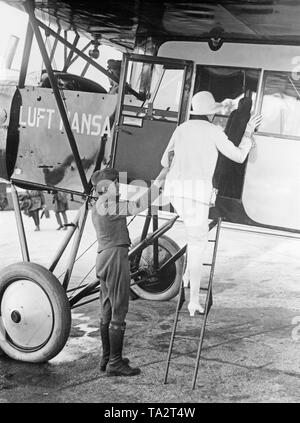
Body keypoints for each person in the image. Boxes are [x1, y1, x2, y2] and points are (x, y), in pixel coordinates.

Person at [160, 91, 262, 316]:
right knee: (197, 246)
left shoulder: (181, 128)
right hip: (196, 193)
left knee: (195, 235)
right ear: (211, 114)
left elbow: (163, 159)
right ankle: (193, 301)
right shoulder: (214, 131)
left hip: (175, 191)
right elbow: (237, 156)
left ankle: (187, 277)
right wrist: (247, 133)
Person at [91, 167, 165, 377]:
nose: (119, 187)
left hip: (104, 257)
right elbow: (138, 205)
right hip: (114, 257)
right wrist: (161, 178)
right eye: (116, 184)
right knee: (119, 308)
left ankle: (107, 358)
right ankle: (115, 362)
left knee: (107, 307)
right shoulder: (108, 205)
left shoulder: (97, 206)